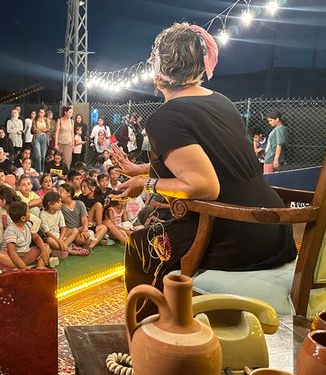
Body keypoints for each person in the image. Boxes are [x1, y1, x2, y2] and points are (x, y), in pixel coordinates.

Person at [112, 23, 296, 318]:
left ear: (158, 70)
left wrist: (148, 184)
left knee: (141, 245)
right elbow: (213, 161)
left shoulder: (164, 119)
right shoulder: (221, 102)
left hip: (233, 233)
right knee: (153, 222)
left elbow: (204, 185)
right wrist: (140, 168)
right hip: (272, 230)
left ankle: (153, 335)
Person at [0, 201, 50, 269]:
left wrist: (43, 251)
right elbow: (12, 252)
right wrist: (24, 267)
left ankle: (39, 267)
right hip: (15, 258)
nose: (29, 214)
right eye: (28, 212)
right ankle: (25, 269)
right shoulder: (11, 230)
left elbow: (36, 238)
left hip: (27, 254)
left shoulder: (28, 224)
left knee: (46, 246)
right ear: (23, 218)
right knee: (0, 256)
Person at [39, 192, 70, 259]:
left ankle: (60, 248)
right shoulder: (43, 214)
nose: (61, 204)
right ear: (50, 204)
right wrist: (59, 241)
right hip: (50, 237)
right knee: (49, 240)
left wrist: (60, 240)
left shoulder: (59, 211)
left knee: (74, 231)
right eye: (58, 202)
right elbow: (47, 233)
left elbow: (63, 227)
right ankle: (70, 250)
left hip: (59, 237)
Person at [32, 107, 50, 172]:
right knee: (38, 156)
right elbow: (35, 130)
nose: (40, 114)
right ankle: (39, 170)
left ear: (44, 113)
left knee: (43, 156)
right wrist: (43, 129)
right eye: (39, 112)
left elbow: (47, 128)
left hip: (44, 138)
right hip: (37, 137)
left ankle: (42, 170)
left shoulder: (46, 120)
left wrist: (40, 130)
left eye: (42, 112)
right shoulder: (35, 119)